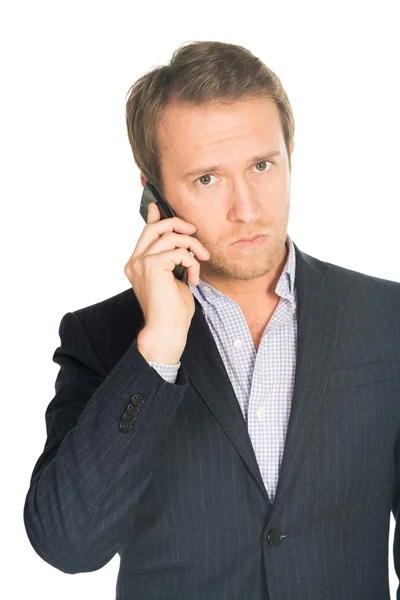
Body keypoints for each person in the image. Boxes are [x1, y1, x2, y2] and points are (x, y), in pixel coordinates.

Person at [23, 40, 400, 600]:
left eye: (262, 165)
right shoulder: (101, 339)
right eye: (207, 179)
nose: (247, 208)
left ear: (290, 154)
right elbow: (68, 547)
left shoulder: (387, 317)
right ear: (154, 192)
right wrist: (159, 350)